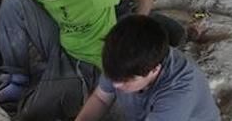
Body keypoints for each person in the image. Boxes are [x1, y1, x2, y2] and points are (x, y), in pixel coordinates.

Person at [0, 0, 158, 119]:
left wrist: (137, 29)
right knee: (13, 3)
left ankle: (68, 84)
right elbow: (27, 9)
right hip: (61, 43)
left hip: (91, 59)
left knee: (33, 114)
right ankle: (17, 78)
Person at [75, 15, 220, 121]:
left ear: (154, 70)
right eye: (113, 76)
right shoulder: (117, 58)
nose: (116, 84)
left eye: (126, 80)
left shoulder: (178, 92)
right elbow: (101, 98)